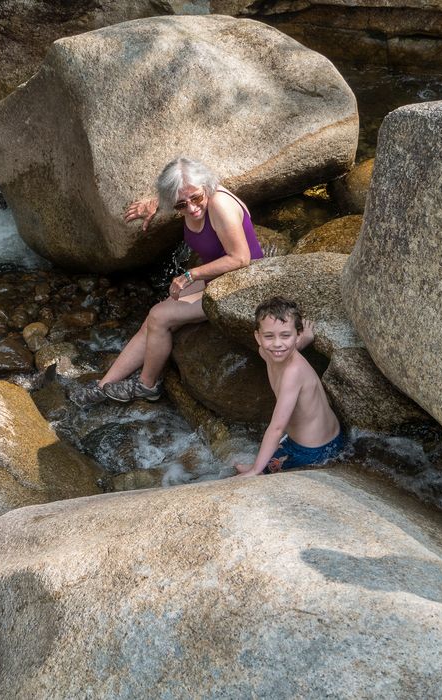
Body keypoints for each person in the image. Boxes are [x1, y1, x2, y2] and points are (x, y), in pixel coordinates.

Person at [69, 157, 264, 406]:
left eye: (196, 198)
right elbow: (178, 195)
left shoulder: (220, 205)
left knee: (160, 317)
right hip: (218, 280)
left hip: (241, 285)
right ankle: (103, 386)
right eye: (181, 205)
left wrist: (189, 274)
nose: (192, 209)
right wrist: (154, 205)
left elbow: (240, 258)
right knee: (152, 319)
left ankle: (147, 386)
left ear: (206, 186)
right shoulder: (188, 200)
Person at [235, 297, 344, 476]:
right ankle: (262, 465)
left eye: (285, 335)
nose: (277, 344)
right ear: (258, 337)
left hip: (314, 451)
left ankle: (260, 469)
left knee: (258, 477)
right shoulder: (267, 351)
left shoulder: (293, 373)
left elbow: (277, 427)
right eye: (269, 336)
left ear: (297, 335)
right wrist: (306, 340)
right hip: (310, 439)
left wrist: (255, 471)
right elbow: (283, 349)